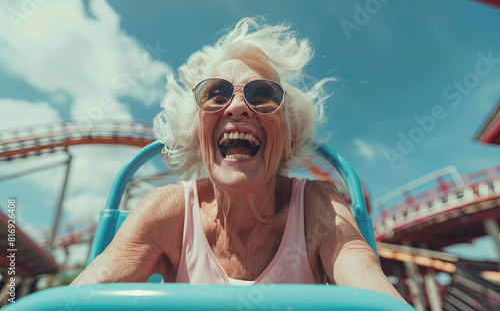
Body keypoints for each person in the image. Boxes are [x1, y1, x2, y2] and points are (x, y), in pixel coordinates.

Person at [71, 16, 406, 303]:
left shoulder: (319, 208)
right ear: (199, 140)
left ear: (288, 140)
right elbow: (80, 301)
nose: (236, 106)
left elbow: (375, 297)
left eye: (263, 96)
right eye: (215, 95)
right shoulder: (168, 210)